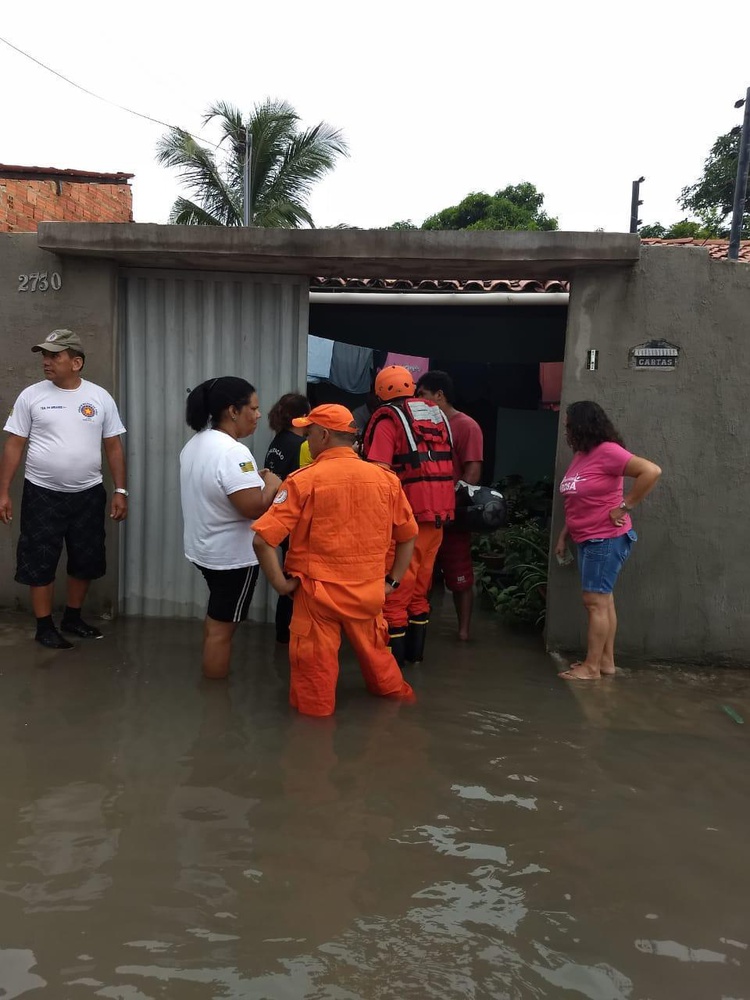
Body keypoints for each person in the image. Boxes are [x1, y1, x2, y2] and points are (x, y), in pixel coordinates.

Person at [252, 404, 417, 717]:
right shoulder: (385, 480)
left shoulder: (303, 481)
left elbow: (262, 540)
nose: (306, 441)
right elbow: (408, 535)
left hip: (317, 596)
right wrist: (391, 582)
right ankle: (402, 720)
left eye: (309, 433)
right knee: (383, 672)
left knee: (315, 691)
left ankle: (314, 750)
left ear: (324, 435)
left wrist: (282, 585)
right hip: (369, 594)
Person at [0, 329, 128, 649]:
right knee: (39, 557)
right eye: (45, 355)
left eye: (54, 355)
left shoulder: (99, 398)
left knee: (85, 557)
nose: (46, 361)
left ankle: (72, 617)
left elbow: (113, 447)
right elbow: (15, 445)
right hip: (42, 493)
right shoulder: (32, 396)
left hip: (88, 493)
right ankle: (44, 626)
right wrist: (3, 491)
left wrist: (120, 490)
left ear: (76, 362)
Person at [180, 377, 281, 679]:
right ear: (233, 411)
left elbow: (220, 490)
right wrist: (273, 484)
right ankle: (215, 702)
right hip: (232, 558)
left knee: (216, 622)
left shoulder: (196, 443)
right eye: (254, 407)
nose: (259, 415)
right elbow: (252, 507)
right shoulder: (233, 452)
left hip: (205, 549)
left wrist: (256, 481)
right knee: (223, 631)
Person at [554, 401, 661, 681]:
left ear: (582, 425)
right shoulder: (581, 455)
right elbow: (581, 500)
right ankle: (605, 663)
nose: (566, 431)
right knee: (604, 601)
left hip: (606, 537)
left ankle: (590, 668)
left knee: (594, 602)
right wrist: (565, 534)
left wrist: (625, 506)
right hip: (587, 537)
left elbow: (651, 471)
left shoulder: (608, 452)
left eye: (568, 425)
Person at [362, 365, 455, 666]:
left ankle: (391, 670)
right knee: (419, 592)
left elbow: (379, 471)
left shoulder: (389, 420)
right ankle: (415, 661)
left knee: (395, 592)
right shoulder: (435, 414)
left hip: (406, 521)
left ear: (380, 393)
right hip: (438, 517)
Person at [416, 370, 484, 641]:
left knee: (460, 577)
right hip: (425, 514)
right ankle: (421, 629)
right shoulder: (421, 425)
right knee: (422, 576)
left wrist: (450, 506)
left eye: (422, 394)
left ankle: (463, 634)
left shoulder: (467, 426)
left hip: (453, 515)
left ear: (439, 395)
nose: (418, 400)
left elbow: (473, 473)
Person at [264, 392, 311, 644]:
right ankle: (292, 635)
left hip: (279, 519)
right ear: (302, 418)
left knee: (289, 573)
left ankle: (283, 636)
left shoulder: (277, 443)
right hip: (295, 523)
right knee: (297, 579)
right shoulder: (299, 446)